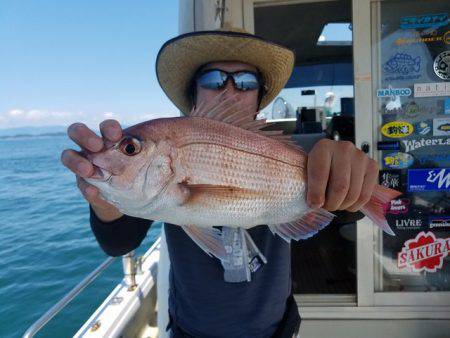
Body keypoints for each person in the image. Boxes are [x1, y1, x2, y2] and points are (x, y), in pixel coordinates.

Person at [61, 28, 379, 338]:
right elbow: (119, 243)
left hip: (276, 329)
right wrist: (105, 200)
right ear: (192, 93)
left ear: (259, 95)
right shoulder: (153, 182)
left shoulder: (298, 153)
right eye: (213, 79)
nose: (229, 91)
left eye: (245, 81)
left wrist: (351, 182)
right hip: (191, 330)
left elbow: (342, 207)